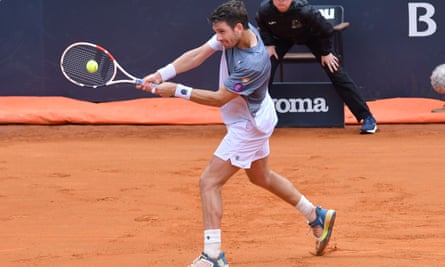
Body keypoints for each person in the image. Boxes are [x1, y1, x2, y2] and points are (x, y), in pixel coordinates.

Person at [138, 1, 336, 266]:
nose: (219, 38)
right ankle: (315, 215)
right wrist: (161, 74)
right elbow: (198, 54)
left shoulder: (253, 62)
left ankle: (212, 255)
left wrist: (177, 90)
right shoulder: (233, 34)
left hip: (248, 125)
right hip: (256, 115)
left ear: (239, 28)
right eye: (217, 32)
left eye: (221, 32)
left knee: (209, 182)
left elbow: (220, 98)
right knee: (261, 177)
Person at [256, 0, 378, 134]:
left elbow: (326, 30)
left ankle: (366, 117)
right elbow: (261, 24)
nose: (281, 1)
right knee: (265, 68)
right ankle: (259, 118)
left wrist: (325, 52)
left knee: (334, 69)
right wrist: (268, 43)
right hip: (283, 38)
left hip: (313, 38)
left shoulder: (305, 11)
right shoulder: (265, 10)